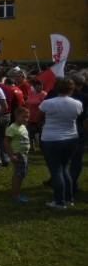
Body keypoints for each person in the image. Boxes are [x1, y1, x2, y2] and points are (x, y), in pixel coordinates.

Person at [37, 77, 83, 209]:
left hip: (51, 138)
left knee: (56, 170)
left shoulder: (48, 103)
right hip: (71, 138)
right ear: (71, 89)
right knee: (63, 168)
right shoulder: (77, 104)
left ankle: (59, 202)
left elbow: (38, 118)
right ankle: (68, 199)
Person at [3, 106, 31, 203]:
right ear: (16, 116)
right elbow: (6, 142)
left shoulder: (22, 126)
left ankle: (17, 192)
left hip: (24, 154)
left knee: (22, 173)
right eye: (23, 117)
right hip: (18, 154)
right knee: (19, 174)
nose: (25, 119)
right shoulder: (12, 128)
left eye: (27, 117)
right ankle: (15, 196)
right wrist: (11, 155)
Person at [24, 78, 47, 152]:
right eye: (37, 86)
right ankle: (31, 147)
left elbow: (45, 105)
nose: (39, 87)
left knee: (39, 132)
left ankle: (41, 147)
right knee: (30, 132)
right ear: (34, 87)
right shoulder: (31, 93)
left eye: (41, 85)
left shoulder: (44, 94)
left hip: (39, 116)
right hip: (30, 116)